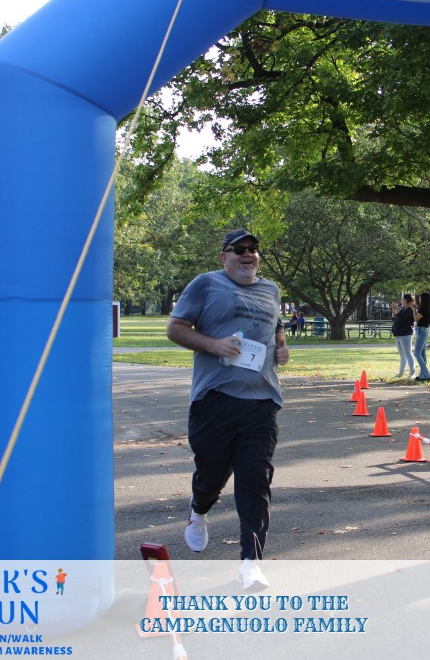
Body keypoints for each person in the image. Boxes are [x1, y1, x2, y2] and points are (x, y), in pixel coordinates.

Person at [167, 228, 290, 591]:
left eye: (254, 249)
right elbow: (175, 328)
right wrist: (214, 345)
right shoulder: (206, 284)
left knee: (255, 480)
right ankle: (198, 510)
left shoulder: (271, 290)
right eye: (239, 249)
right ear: (224, 257)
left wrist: (282, 347)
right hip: (215, 400)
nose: (248, 254)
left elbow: (277, 326)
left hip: (262, 402)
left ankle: (251, 564)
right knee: (212, 475)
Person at [390, 294, 416, 378]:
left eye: (403, 299)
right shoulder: (402, 309)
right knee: (402, 355)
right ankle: (401, 372)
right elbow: (395, 318)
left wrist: (396, 310)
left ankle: (412, 373)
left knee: (408, 354)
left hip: (406, 334)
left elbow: (403, 318)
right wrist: (394, 310)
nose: (401, 300)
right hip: (398, 334)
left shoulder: (410, 310)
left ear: (406, 300)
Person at [413, 291, 430, 381]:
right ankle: (422, 374)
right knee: (422, 353)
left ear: (423, 299)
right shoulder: (428, 308)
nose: (419, 299)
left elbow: (416, 318)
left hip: (422, 331)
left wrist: (414, 309)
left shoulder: (423, 308)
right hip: (423, 330)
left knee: (417, 353)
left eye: (420, 297)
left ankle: (426, 374)